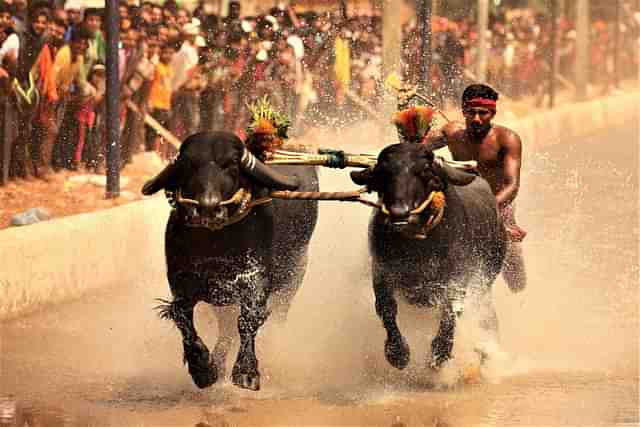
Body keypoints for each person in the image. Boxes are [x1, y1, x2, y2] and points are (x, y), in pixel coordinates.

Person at [422, 83, 527, 292]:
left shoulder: (508, 139)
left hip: (498, 208)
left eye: (483, 113)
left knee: (516, 280)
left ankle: (519, 308)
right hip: (461, 205)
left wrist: (488, 209)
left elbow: (512, 185)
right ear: (463, 111)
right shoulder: (451, 132)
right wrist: (411, 129)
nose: (477, 119)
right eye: (471, 112)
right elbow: (417, 148)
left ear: (493, 113)